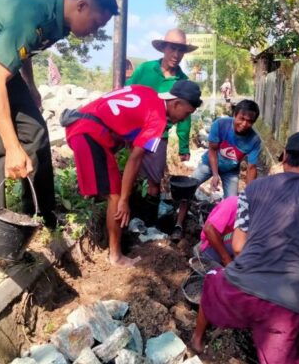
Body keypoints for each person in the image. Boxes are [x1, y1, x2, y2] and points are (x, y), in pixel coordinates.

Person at [0, 0, 117, 232]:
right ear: (82, 5)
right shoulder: (34, 15)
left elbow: (26, 48)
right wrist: (13, 147)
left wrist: (30, 85)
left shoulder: (61, 23)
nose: (94, 31)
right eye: (97, 23)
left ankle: (41, 217)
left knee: (36, 133)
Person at [190, 131, 299, 364]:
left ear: (285, 156)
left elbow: (239, 247)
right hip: (287, 308)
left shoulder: (254, 188)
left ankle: (197, 341)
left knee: (212, 281)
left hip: (238, 290)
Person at [63, 81, 202, 267]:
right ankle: (116, 256)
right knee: (116, 196)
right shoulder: (158, 119)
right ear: (176, 103)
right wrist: (125, 200)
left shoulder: (146, 91)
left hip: (79, 124)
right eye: (187, 114)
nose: (184, 119)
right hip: (89, 133)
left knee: (113, 188)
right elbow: (135, 159)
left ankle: (111, 231)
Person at [125, 28, 198, 222]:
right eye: (172, 48)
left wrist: (183, 146)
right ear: (164, 48)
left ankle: (148, 224)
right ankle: (128, 215)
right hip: (133, 131)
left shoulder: (182, 81)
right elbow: (127, 93)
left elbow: (186, 116)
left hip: (158, 136)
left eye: (180, 50)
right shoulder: (145, 70)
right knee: (128, 174)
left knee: (154, 180)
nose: (176, 55)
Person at [171, 99, 262, 241]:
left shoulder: (254, 140)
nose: (244, 124)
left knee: (232, 203)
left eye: (249, 121)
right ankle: (178, 225)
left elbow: (251, 168)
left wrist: (250, 193)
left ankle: (224, 236)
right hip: (209, 164)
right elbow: (213, 150)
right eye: (241, 119)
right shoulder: (220, 125)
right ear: (235, 115)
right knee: (188, 188)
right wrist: (214, 174)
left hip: (231, 171)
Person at [197, 195, 238, 268]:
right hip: (209, 248)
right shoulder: (233, 203)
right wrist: (227, 259)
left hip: (226, 243)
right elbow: (209, 229)